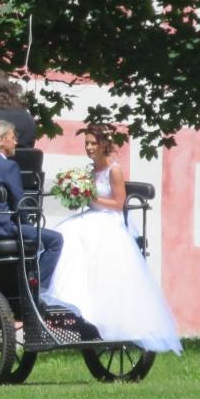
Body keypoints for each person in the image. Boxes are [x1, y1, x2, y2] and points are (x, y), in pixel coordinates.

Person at [44, 126, 182, 352]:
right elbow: (90, 200)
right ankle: (72, 298)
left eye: (92, 143)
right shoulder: (91, 171)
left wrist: (92, 197)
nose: (88, 148)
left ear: (102, 145)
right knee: (64, 234)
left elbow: (119, 204)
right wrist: (77, 196)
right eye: (86, 144)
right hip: (93, 215)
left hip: (110, 219)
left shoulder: (113, 170)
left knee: (79, 234)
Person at [0, 120, 63, 290]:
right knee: (56, 240)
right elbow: (20, 203)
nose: (16, 141)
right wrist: (29, 224)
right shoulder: (8, 166)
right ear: (0, 140)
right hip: (3, 229)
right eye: (12, 137)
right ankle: (40, 289)